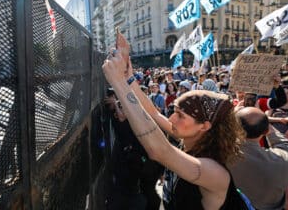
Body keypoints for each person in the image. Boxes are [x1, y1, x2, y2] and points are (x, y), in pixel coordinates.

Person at [102, 51, 249, 210]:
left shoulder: (214, 172)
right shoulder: (190, 140)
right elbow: (154, 113)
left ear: (204, 126)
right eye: (174, 111)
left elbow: (160, 151)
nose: (171, 119)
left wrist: (118, 83)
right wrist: (128, 78)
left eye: (180, 115)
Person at [229, 107, 288, 210]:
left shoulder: (222, 154)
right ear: (266, 131)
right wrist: (268, 125)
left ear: (235, 127)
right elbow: (285, 145)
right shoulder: (284, 159)